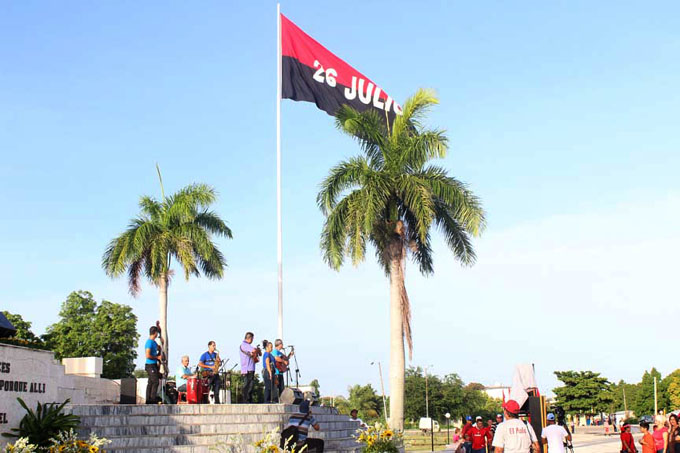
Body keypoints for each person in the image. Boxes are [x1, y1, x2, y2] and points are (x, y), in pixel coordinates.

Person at [239, 332, 259, 403]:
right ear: (250, 338)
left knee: (250, 385)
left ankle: (249, 399)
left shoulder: (247, 346)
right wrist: (257, 350)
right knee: (247, 385)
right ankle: (246, 400)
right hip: (247, 368)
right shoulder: (245, 345)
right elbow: (254, 350)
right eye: (252, 338)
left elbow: (255, 352)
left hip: (250, 368)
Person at [144, 325, 161, 404]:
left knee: (151, 382)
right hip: (150, 365)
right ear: (155, 333)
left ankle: (149, 399)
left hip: (154, 365)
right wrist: (157, 357)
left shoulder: (154, 342)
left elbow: (158, 347)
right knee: (155, 381)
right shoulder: (149, 342)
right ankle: (152, 399)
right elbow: (147, 355)